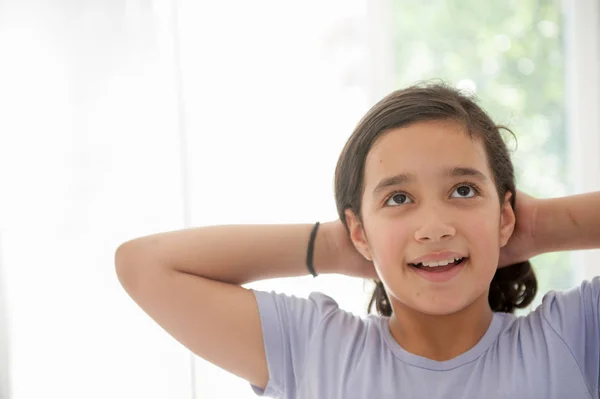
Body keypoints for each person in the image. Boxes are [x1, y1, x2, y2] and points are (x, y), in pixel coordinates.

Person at [115, 83, 600, 398]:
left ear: (504, 214)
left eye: (463, 190)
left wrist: (536, 227)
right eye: (398, 198)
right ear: (358, 232)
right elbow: (144, 265)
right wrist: (334, 247)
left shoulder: (574, 338)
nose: (433, 226)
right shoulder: (313, 348)